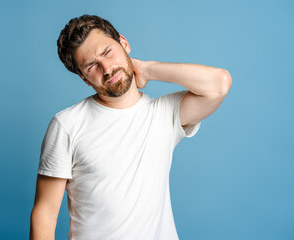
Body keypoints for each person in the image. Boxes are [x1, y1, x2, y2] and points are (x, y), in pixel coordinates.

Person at [30, 14, 232, 240]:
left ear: (124, 43)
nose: (106, 68)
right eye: (92, 66)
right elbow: (45, 214)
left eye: (108, 52)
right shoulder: (66, 125)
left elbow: (219, 84)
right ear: (85, 79)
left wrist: (147, 69)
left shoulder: (164, 114)